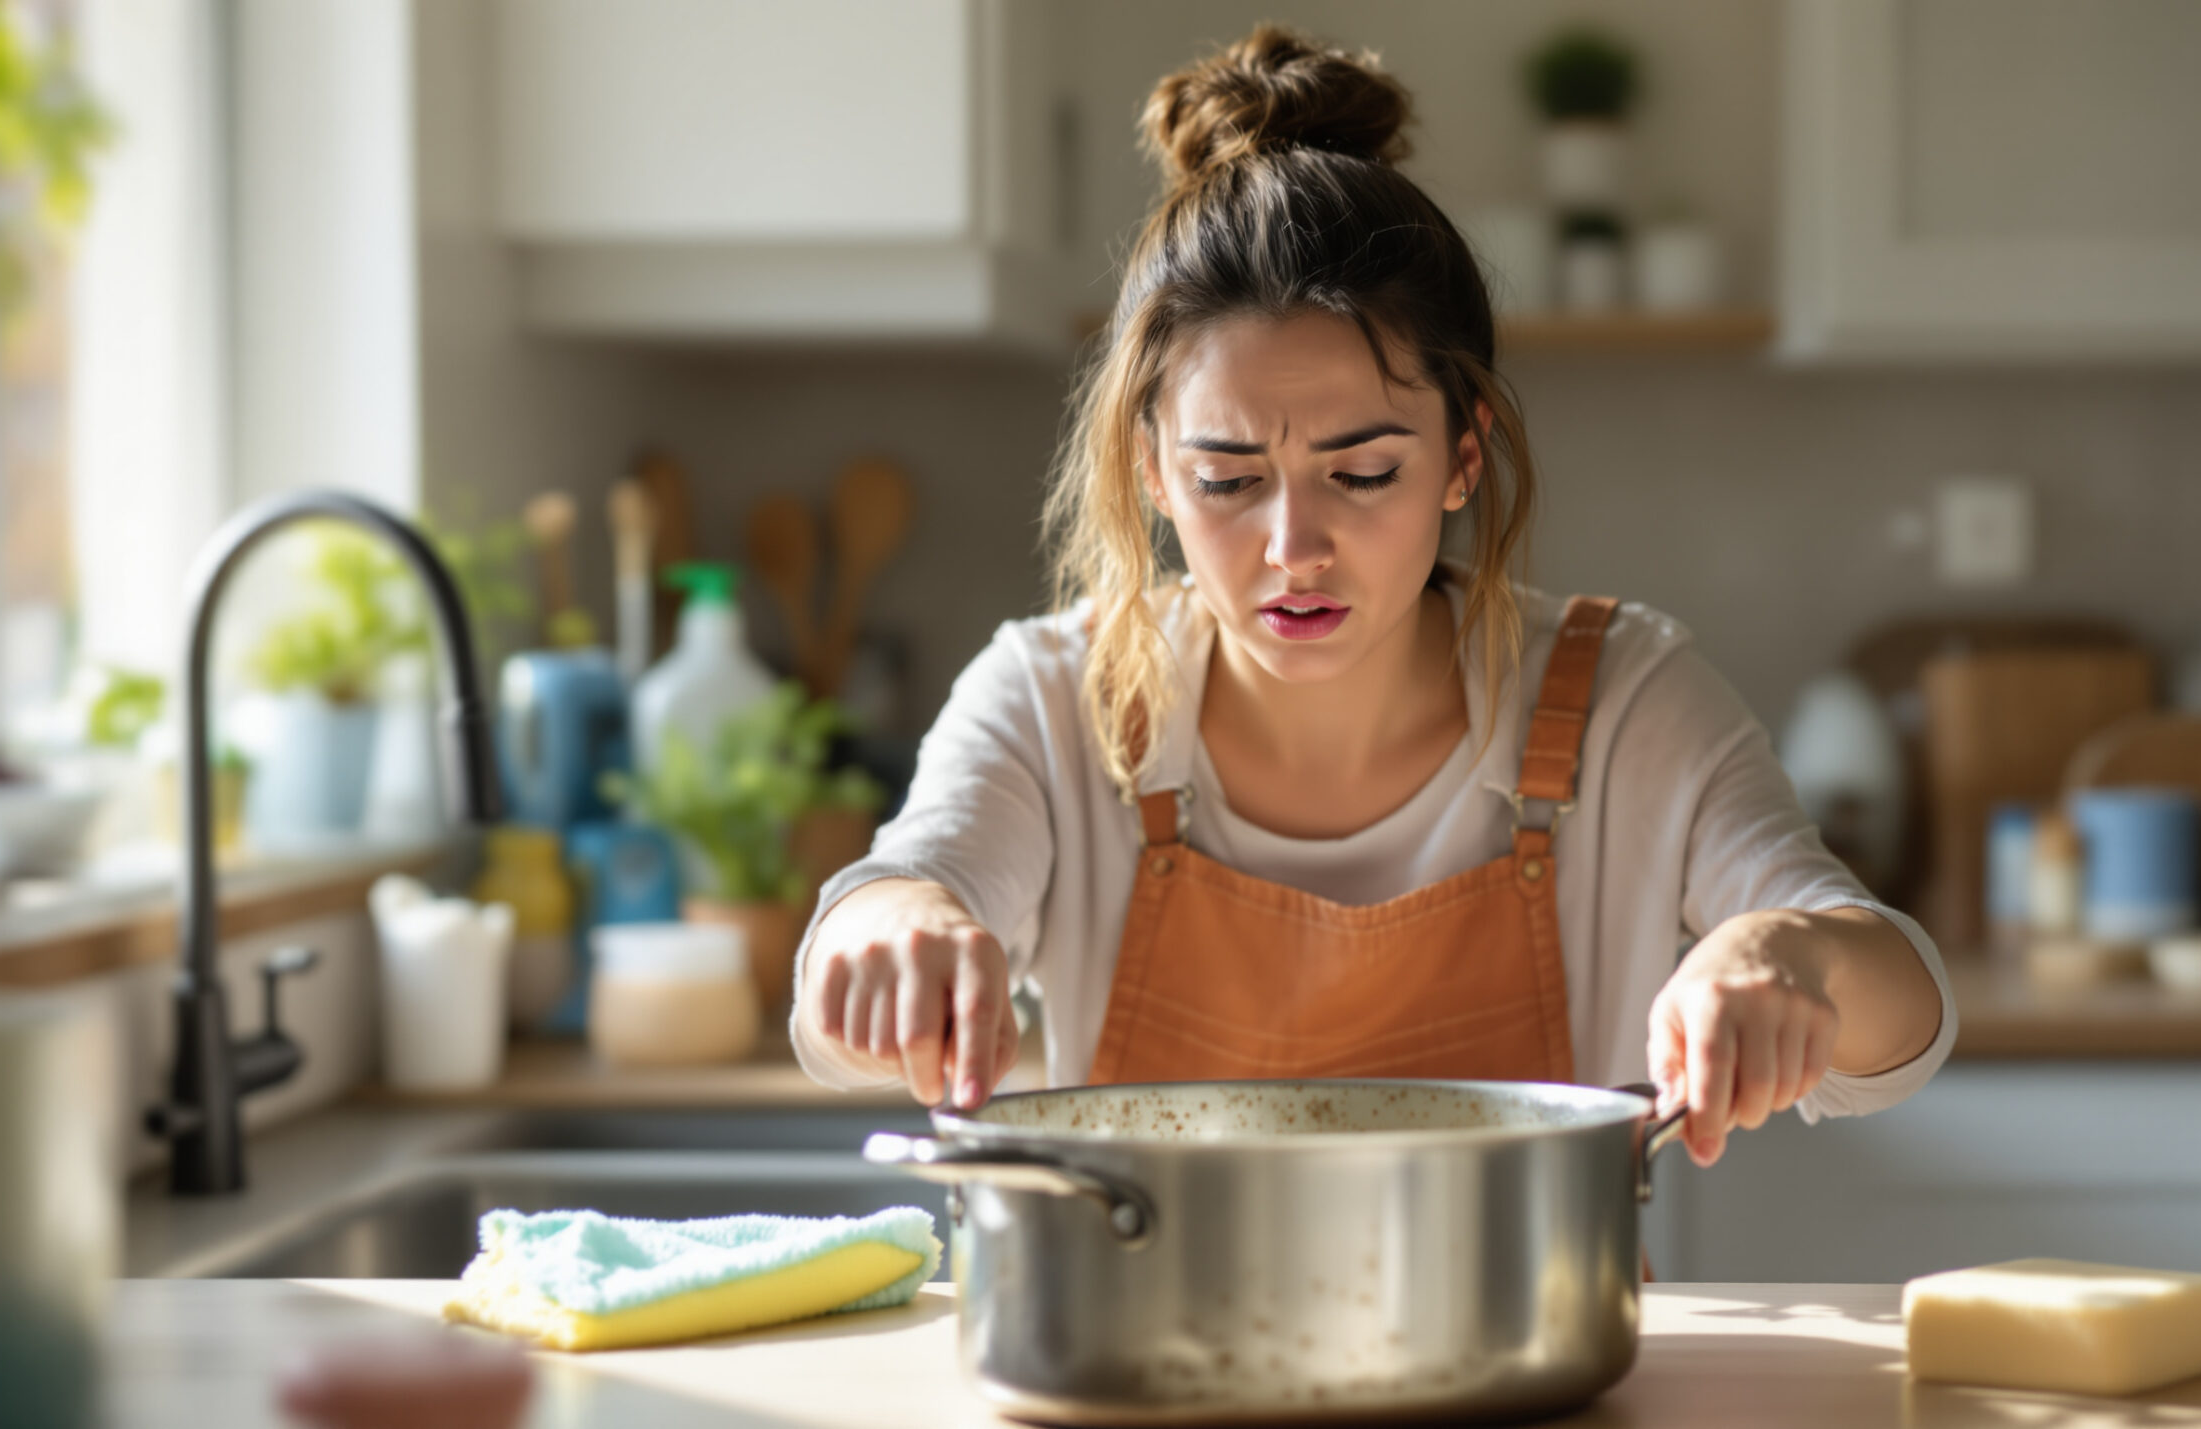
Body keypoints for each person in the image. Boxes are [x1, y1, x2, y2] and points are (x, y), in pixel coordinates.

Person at [791, 25, 1952, 1168]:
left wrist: (1787, 950)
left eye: (1361, 474)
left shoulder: (1622, 702)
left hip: (1539, 1356)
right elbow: (873, 935)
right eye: (1227, 480)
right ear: (1152, 472)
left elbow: (1902, 1021)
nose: (1294, 546)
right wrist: (898, 927)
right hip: (1142, 1350)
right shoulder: (1053, 696)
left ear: (1460, 456)